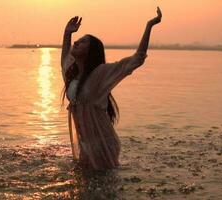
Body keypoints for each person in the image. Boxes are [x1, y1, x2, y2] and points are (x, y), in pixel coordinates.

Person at [61, 7, 162, 170]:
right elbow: (64, 58)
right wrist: (67, 33)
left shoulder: (101, 73)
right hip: (86, 143)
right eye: (77, 39)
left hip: (103, 144)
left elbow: (137, 58)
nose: (77, 42)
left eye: (83, 41)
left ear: (91, 51)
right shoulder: (73, 76)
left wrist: (149, 25)